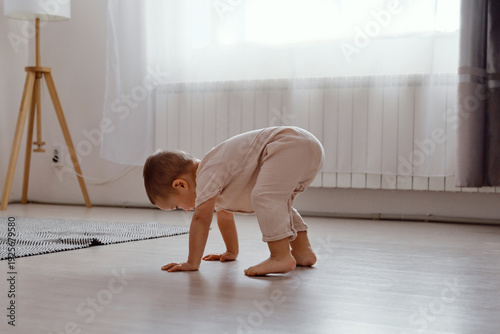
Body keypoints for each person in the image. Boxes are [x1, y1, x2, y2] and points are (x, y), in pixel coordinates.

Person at [143, 126, 324, 276]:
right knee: (277, 202)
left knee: (265, 197)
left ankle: (280, 256)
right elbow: (225, 217)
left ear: (180, 185)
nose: (186, 210)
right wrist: (231, 252)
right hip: (305, 147)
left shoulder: (207, 171)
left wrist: (192, 262)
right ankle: (303, 252)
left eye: (177, 206)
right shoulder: (217, 182)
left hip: (289, 144)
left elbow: (201, 220)